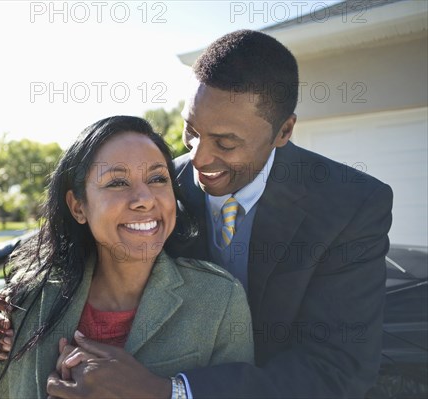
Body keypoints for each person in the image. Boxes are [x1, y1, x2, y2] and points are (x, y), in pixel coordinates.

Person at [44, 30, 393, 398]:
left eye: (225, 143)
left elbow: (337, 369)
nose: (197, 159)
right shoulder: (162, 184)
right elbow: (75, 233)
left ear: (284, 131)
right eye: (190, 131)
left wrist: (172, 393)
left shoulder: (350, 204)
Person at [0, 115, 253, 398]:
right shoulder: (29, 298)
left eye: (157, 178)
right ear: (78, 206)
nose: (144, 199)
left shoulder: (219, 300)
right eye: (117, 182)